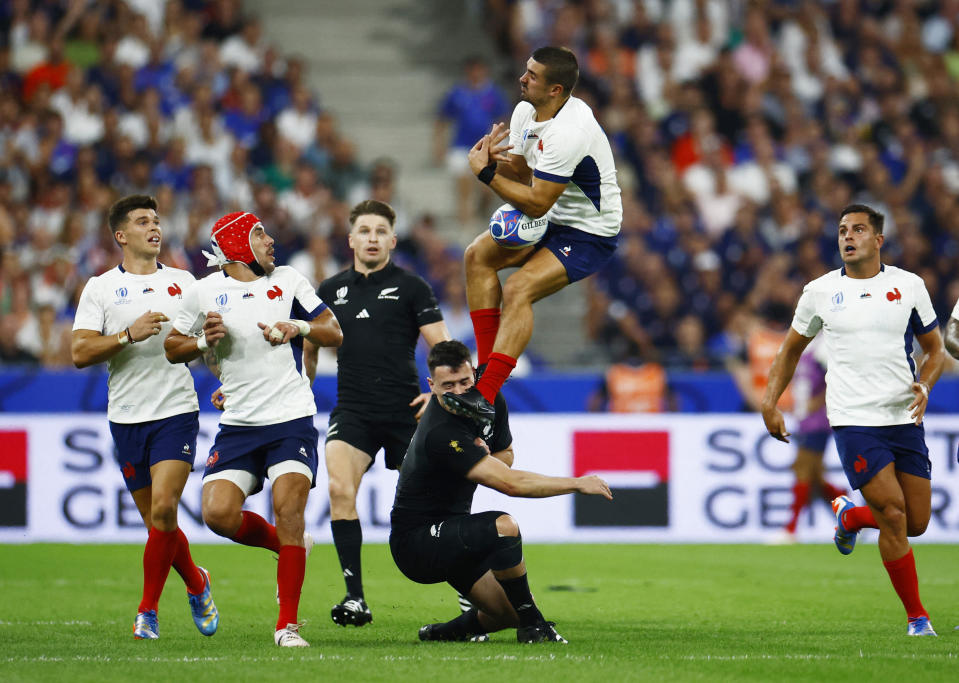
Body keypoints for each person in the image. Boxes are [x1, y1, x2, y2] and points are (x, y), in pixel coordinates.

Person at [762, 204, 945, 637]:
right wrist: (771, 401)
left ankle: (851, 517)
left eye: (859, 230)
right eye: (843, 230)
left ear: (878, 240)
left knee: (916, 522)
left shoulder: (909, 286)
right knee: (896, 516)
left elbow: (936, 350)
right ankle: (918, 618)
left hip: (903, 418)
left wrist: (925, 384)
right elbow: (789, 351)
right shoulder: (820, 292)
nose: (848, 237)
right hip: (852, 421)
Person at [164, 211, 343, 647]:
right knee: (217, 515)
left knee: (288, 511)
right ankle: (290, 546)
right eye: (259, 232)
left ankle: (287, 626)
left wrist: (296, 326)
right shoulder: (203, 292)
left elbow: (333, 330)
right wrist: (205, 341)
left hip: (291, 418)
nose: (270, 239)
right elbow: (172, 347)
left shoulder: (287, 280)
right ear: (237, 243)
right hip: (239, 423)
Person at [390, 340, 612, 643]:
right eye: (448, 386)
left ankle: (442, 633)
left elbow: (506, 454)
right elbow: (510, 484)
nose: (458, 393)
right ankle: (536, 627)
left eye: (465, 382)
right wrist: (576, 483)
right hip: (417, 542)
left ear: (474, 375)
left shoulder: (489, 402)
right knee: (504, 527)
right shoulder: (441, 432)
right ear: (431, 385)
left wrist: (485, 458)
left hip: (455, 530)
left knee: (507, 613)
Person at [445, 46, 622, 426]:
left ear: (556, 90)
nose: (522, 78)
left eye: (533, 76)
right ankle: (486, 373)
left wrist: (485, 175)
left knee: (519, 288)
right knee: (476, 256)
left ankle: (485, 396)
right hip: (553, 215)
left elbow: (538, 203)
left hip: (590, 230)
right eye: (526, 70)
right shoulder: (526, 110)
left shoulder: (570, 132)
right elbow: (525, 176)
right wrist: (498, 162)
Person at [71, 194, 218, 640]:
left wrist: (224, 377)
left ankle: (147, 612)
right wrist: (126, 335)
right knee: (161, 524)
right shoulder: (99, 287)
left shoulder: (185, 282)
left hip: (176, 410)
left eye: (156, 220)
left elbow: (208, 340)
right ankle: (197, 582)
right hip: (127, 417)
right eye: (142, 221)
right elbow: (79, 352)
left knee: (164, 507)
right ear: (121, 236)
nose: (154, 227)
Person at [304, 199, 450, 627]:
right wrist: (301, 392)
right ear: (350, 240)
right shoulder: (328, 290)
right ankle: (355, 598)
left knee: (439, 502)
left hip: (406, 411)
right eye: (364, 231)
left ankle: (466, 592)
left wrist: (439, 394)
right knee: (339, 489)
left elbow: (441, 346)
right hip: (353, 411)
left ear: (393, 239)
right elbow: (310, 344)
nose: (372, 238)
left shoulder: (412, 287)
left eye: (380, 231)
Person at [775, 337, 846, 543]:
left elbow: (837, 377)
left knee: (802, 470)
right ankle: (854, 517)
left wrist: (817, 402)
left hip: (818, 421)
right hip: (805, 420)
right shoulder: (808, 345)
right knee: (815, 478)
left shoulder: (825, 345)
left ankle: (790, 529)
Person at [433, 56, 510, 225]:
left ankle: (481, 212)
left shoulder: (494, 94)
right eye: (472, 69)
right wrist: (439, 145)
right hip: (462, 145)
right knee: (463, 183)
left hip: (487, 145)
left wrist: (501, 145)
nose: (476, 73)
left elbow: (503, 120)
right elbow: (442, 119)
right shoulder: (457, 93)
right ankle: (465, 220)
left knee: (487, 190)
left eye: (479, 69)